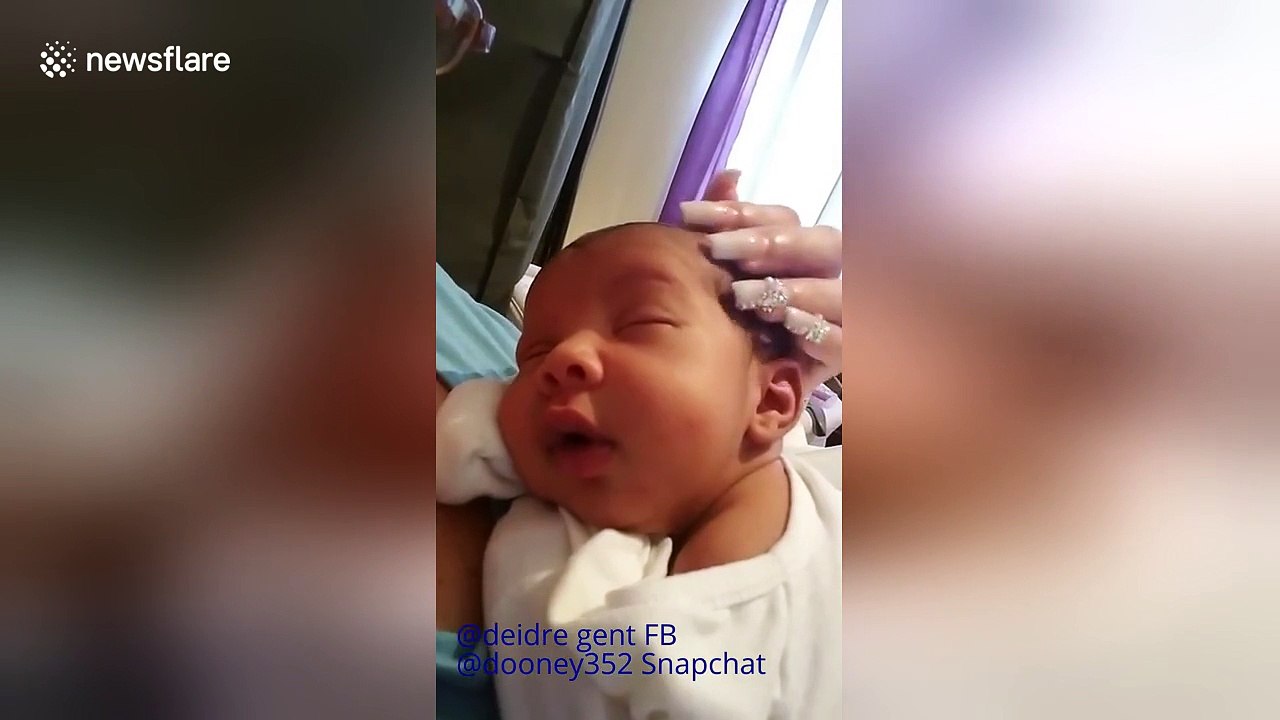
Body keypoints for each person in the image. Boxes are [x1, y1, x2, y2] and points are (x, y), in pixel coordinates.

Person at [434, 171, 843, 718]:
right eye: (532, 355)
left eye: (642, 321)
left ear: (771, 403)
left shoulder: (732, 630)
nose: (561, 359)